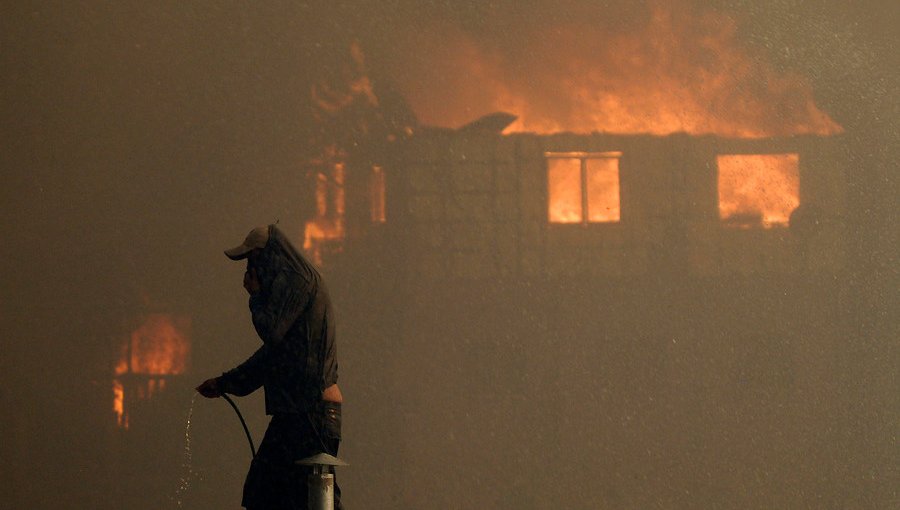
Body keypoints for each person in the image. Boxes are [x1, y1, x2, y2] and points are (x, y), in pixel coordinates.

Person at [196, 224, 343, 510]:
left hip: (311, 412)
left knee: (313, 496)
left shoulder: (297, 283)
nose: (250, 269)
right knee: (270, 492)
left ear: (266, 256)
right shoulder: (292, 288)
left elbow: (271, 332)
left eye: (252, 260)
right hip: (298, 412)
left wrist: (255, 296)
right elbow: (271, 358)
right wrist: (225, 383)